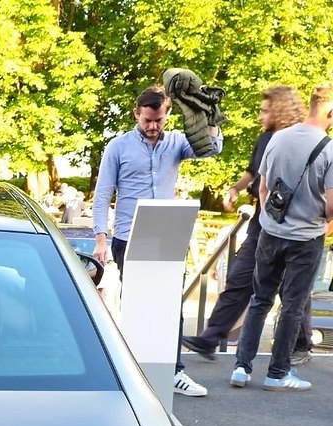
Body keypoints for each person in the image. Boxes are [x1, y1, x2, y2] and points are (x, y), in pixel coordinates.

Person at [92, 84, 223, 398]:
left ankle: (174, 371)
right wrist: (100, 238)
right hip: (128, 236)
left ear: (167, 116)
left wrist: (210, 115)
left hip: (166, 233)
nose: (153, 127)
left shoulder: (177, 142)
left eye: (159, 120)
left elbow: (212, 149)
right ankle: (135, 372)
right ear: (137, 114)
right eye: (147, 120)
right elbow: (101, 195)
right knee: (138, 304)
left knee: (170, 305)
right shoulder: (118, 146)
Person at [182, 86, 308, 362]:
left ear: (279, 111)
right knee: (239, 279)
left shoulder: (299, 141)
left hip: (290, 224)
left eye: (265, 111)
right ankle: (210, 338)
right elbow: (253, 171)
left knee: (292, 288)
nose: (260, 116)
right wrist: (235, 188)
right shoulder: (265, 138)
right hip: (261, 222)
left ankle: (301, 343)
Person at [224, 83, 333, 392]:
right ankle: (277, 372)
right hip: (306, 237)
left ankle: (241, 368)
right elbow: (331, 205)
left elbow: (263, 187)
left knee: (259, 299)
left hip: (271, 231)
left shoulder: (278, 138)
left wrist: (270, 218)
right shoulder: (329, 148)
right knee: (292, 306)